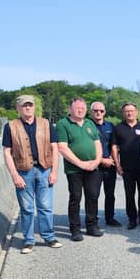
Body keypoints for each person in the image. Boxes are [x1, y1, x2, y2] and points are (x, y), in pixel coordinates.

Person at [2, 95, 62, 254]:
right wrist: (14, 175)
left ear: (34, 106)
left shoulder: (46, 124)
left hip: (44, 170)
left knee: (45, 207)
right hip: (23, 172)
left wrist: (54, 171)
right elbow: (7, 152)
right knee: (27, 208)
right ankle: (28, 240)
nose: (27, 108)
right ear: (18, 108)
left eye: (30, 105)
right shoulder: (10, 126)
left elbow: (54, 148)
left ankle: (49, 237)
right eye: (24, 105)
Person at [56, 97, 104, 241]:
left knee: (93, 196)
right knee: (75, 198)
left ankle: (92, 226)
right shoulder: (63, 124)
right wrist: (80, 163)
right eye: (77, 108)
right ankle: (75, 229)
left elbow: (97, 143)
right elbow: (62, 148)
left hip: (93, 167)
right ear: (70, 109)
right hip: (74, 169)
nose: (80, 110)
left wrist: (97, 160)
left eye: (83, 108)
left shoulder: (89, 123)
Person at [112, 103, 140, 230]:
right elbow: (114, 147)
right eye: (126, 111)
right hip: (127, 167)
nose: (129, 113)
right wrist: (117, 165)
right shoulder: (118, 128)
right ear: (123, 113)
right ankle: (132, 219)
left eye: (132, 110)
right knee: (129, 194)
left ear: (136, 112)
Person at [90, 101, 121, 227]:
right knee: (93, 195)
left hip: (110, 165)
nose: (98, 113)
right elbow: (87, 148)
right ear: (91, 112)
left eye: (101, 111)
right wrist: (102, 160)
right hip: (95, 166)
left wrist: (114, 160)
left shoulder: (110, 126)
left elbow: (115, 145)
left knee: (110, 194)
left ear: (105, 112)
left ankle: (110, 218)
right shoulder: (87, 126)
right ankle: (93, 220)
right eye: (96, 110)